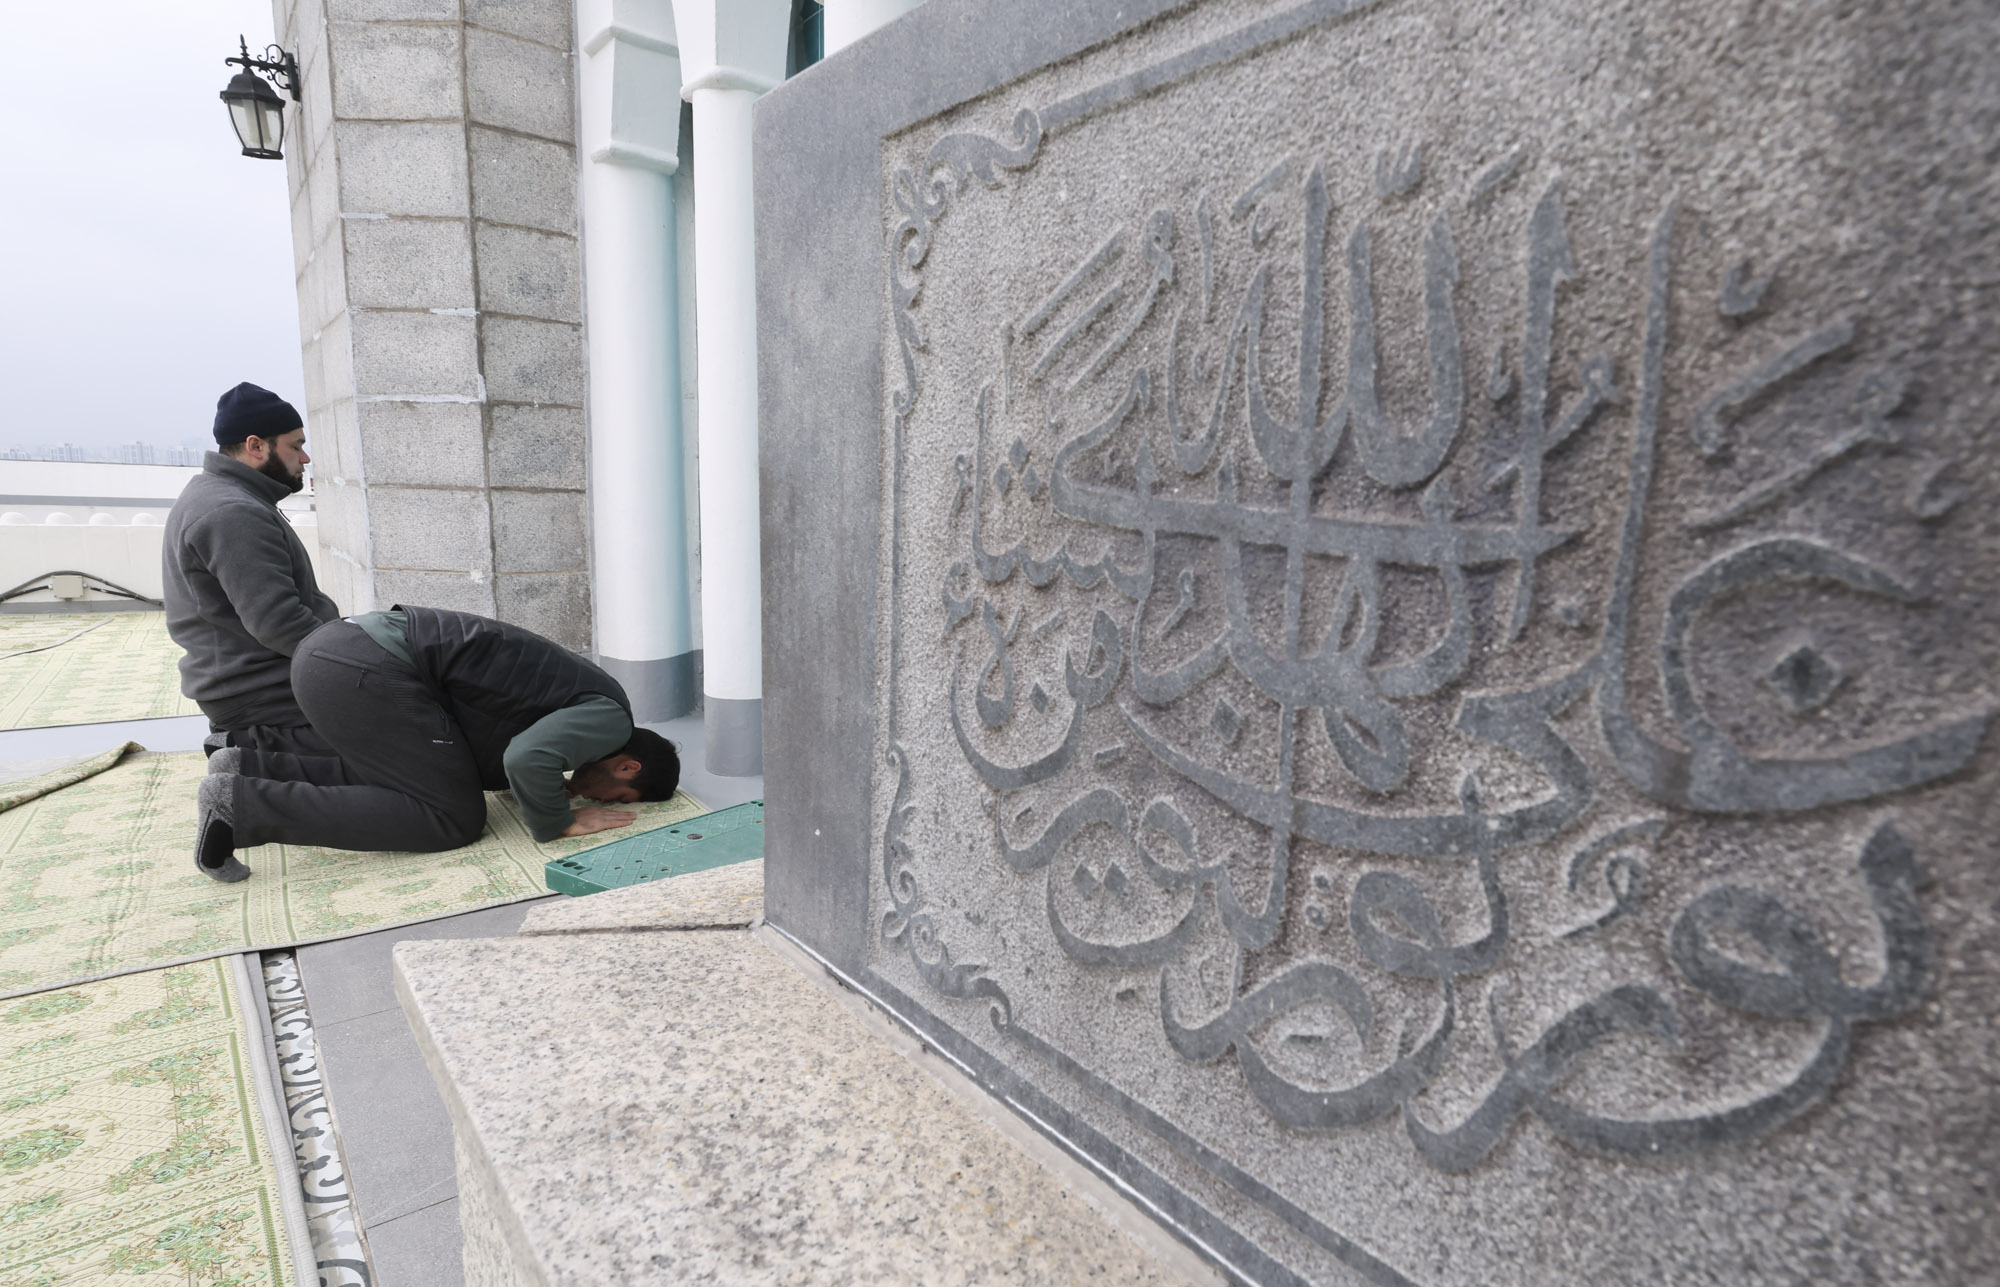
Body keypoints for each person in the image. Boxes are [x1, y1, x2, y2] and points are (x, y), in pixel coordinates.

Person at [193, 605, 681, 881]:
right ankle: (239, 807)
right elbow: (527, 756)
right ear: (628, 766)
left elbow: (501, 748)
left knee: (416, 779)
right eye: (614, 798)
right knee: (452, 817)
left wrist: (556, 787)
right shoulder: (611, 720)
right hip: (368, 667)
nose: (598, 801)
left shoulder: (586, 707)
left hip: (335, 655)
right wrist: (557, 822)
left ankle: (246, 766)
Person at [163, 382, 340, 758]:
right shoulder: (233, 511)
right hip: (264, 695)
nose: (305, 458)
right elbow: (281, 624)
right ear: (256, 446)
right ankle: (244, 770)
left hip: (257, 684)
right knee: (415, 744)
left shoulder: (225, 495)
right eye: (296, 445)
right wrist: (363, 661)